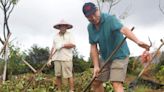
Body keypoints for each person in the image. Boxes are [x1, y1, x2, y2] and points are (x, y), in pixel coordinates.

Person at [82, 2, 150, 92]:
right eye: (89, 16)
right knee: (96, 81)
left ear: (98, 10)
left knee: (116, 83)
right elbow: (93, 47)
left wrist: (137, 41)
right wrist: (96, 66)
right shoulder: (90, 28)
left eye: (94, 14)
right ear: (86, 17)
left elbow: (124, 29)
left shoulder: (110, 19)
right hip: (105, 58)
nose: (93, 18)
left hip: (120, 56)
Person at [47, 20, 75, 92]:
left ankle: (71, 90)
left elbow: (73, 45)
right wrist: (50, 59)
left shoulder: (70, 35)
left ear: (66, 27)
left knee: (69, 75)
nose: (63, 28)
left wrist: (63, 45)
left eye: (64, 26)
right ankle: (59, 90)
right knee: (58, 75)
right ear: (59, 27)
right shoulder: (55, 36)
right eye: (61, 26)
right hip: (56, 58)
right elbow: (53, 48)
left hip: (66, 58)